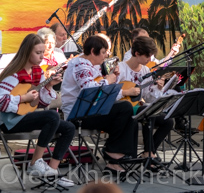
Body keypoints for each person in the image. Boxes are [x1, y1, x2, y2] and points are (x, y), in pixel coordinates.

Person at [0, 34, 75, 186]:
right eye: (38, 53)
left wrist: (48, 86)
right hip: (9, 122)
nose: (42, 56)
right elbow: (1, 102)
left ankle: (52, 172)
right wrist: (22, 98)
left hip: (25, 116)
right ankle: (35, 162)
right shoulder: (13, 74)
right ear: (27, 52)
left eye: (43, 52)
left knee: (69, 127)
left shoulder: (37, 72)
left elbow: (38, 103)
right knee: (52, 116)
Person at [61, 35, 137, 174]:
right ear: (92, 51)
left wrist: (113, 79)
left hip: (91, 111)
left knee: (127, 112)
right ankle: (113, 154)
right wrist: (107, 81)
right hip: (77, 115)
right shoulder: (79, 65)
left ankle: (115, 158)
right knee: (124, 109)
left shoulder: (91, 66)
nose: (105, 56)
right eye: (103, 52)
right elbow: (90, 89)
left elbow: (103, 93)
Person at [116, 36, 173, 171]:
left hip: (140, 109)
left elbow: (148, 97)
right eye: (147, 56)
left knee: (168, 121)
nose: (150, 59)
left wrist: (158, 88)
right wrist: (127, 91)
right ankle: (148, 155)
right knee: (149, 116)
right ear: (137, 53)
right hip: (122, 110)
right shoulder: (120, 69)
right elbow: (111, 94)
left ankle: (148, 152)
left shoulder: (145, 70)